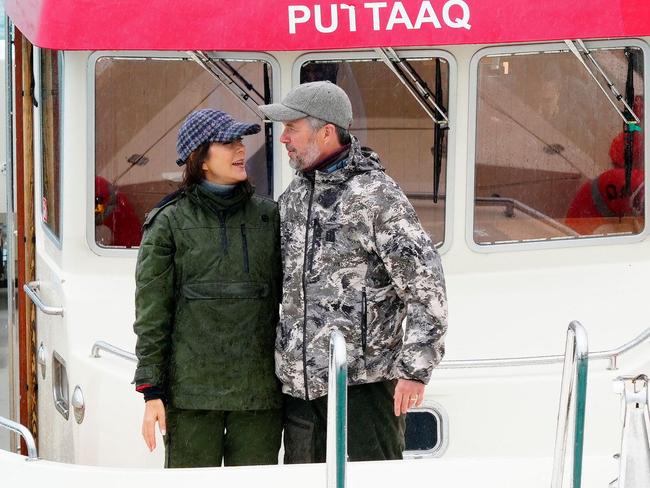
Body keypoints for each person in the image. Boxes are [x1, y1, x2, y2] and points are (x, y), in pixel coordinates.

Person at [258, 81, 448, 463]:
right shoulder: (294, 197)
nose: (283, 139)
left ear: (326, 131)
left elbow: (426, 288)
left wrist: (415, 369)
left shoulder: (377, 197)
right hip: (302, 394)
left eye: (291, 128)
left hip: (364, 391)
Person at [132, 109, 282, 468]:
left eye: (241, 141)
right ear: (200, 159)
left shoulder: (269, 217)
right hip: (190, 396)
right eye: (228, 142)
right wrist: (152, 391)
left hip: (259, 394)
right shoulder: (167, 222)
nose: (240, 150)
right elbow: (152, 311)